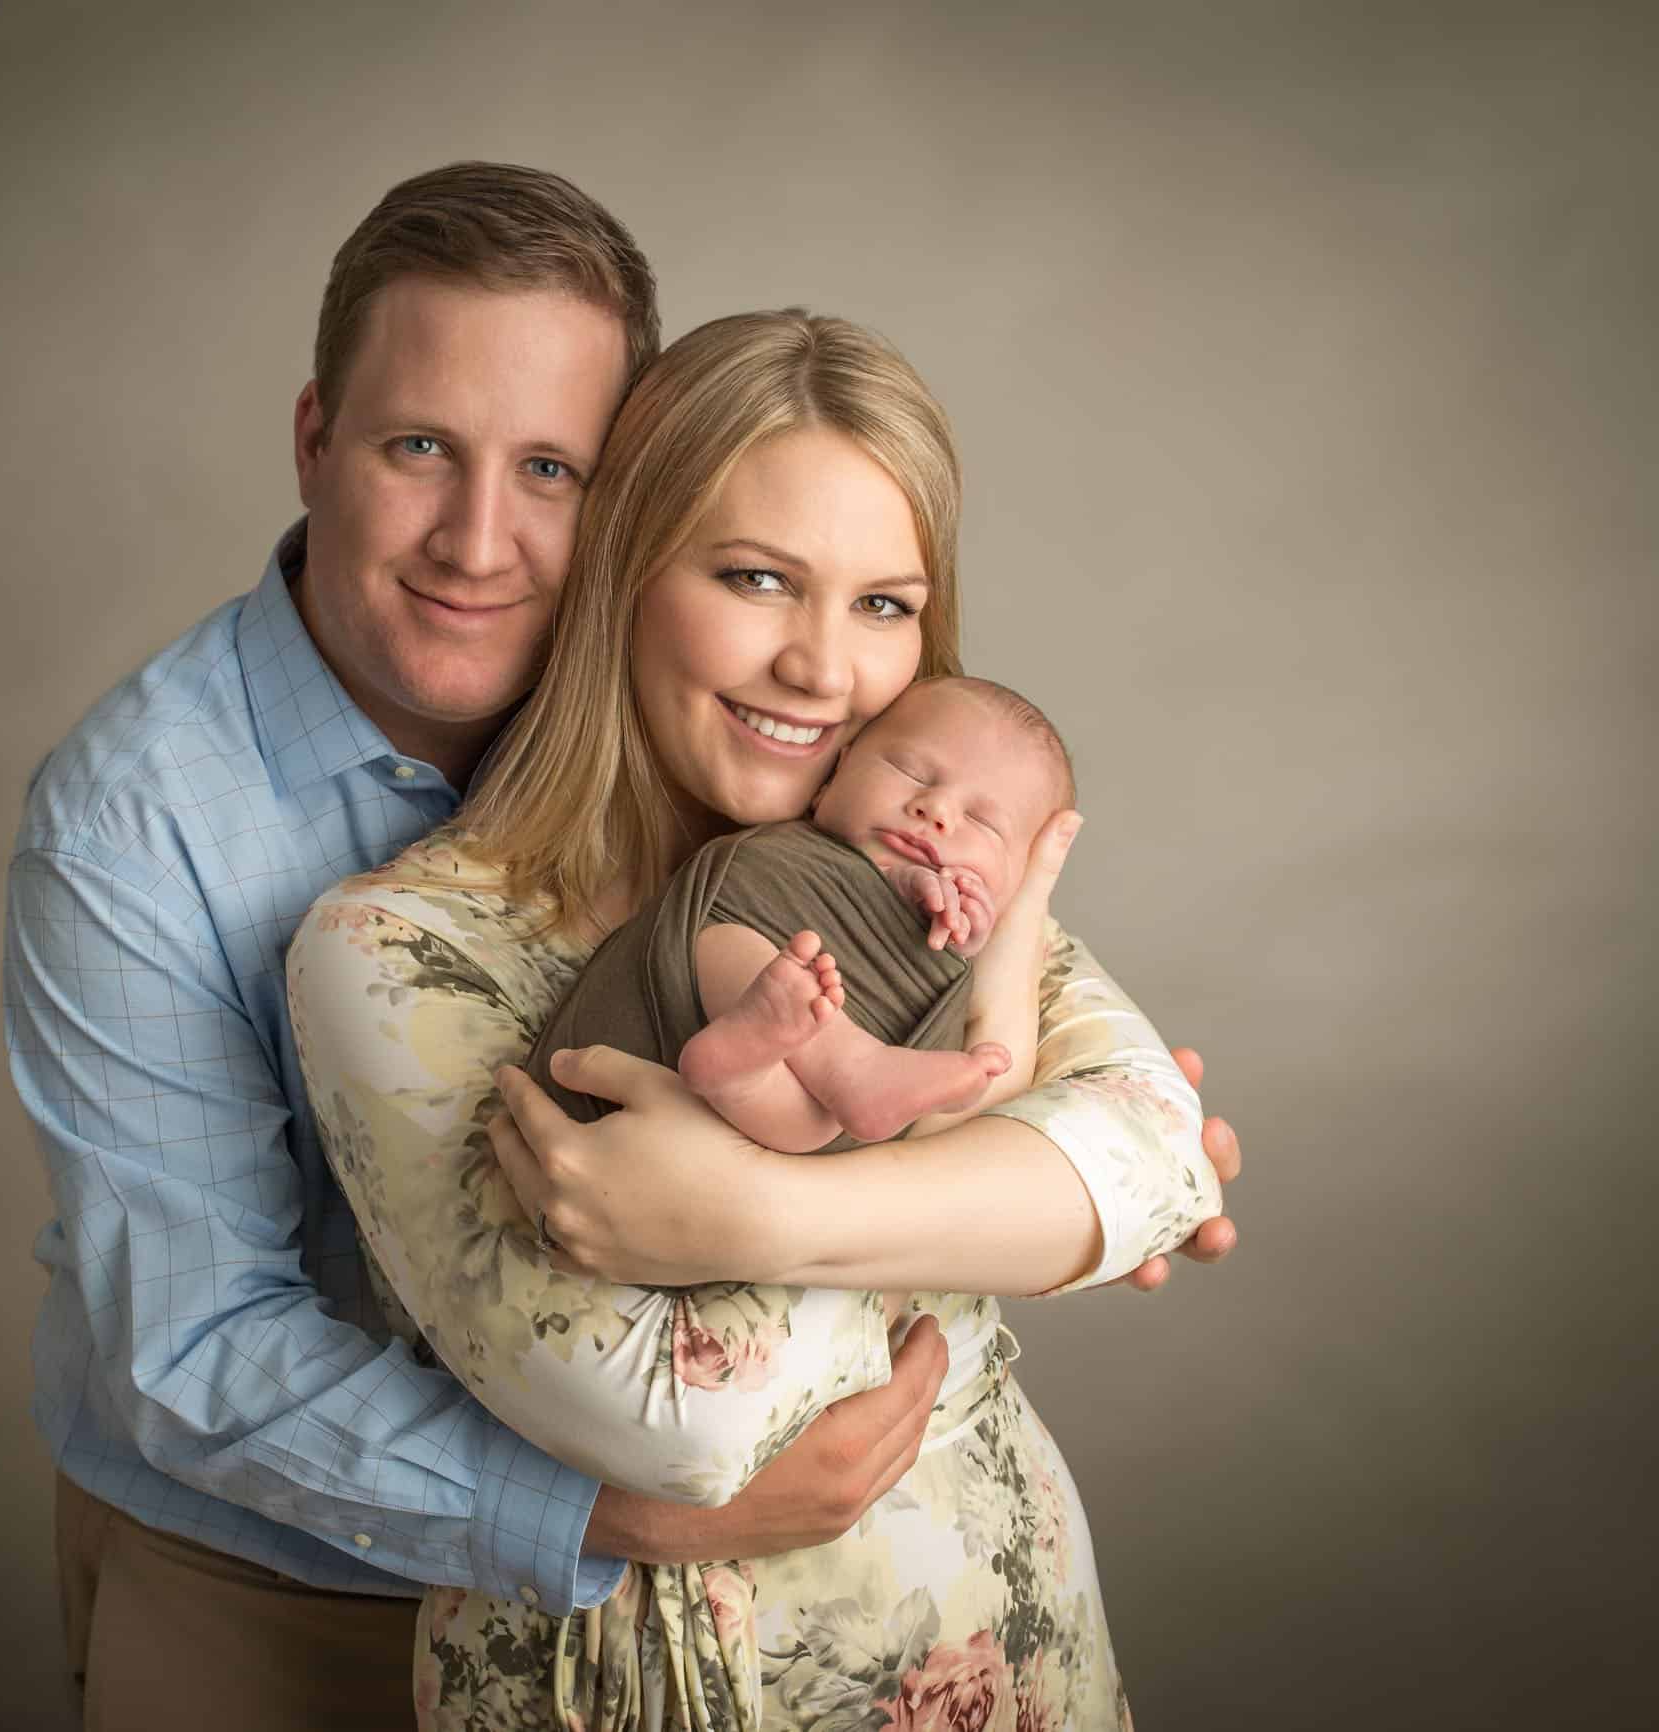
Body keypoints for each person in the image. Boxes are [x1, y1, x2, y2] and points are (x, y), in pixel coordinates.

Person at [5, 162, 1238, 1730]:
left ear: (618, 502)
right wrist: (990, 1212)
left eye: (553, 471)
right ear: (317, 435)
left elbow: (1146, 1155)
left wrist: (793, 1206)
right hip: (277, 1572)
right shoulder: (144, 823)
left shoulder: (789, 786)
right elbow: (198, 1346)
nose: (481, 541)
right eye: (419, 448)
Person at [286, 310, 1222, 1729]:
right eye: (756, 580)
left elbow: (1159, 1168)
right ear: (624, 568)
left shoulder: (922, 868)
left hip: (1012, 1638)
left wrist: (743, 1217)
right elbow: (682, 1424)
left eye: (884, 606)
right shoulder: (398, 947)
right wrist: (994, 1223)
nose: (823, 671)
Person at [529, 674, 1077, 1154]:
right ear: (834, 775)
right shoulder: (792, 862)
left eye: (982, 822)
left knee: (813, 1121)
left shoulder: (1015, 953)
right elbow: (755, 901)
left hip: (767, 1134)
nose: (936, 811)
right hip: (643, 1037)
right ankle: (845, 1064)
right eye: (910, 772)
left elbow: (937, 979)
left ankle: (738, 1072)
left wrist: (970, 938)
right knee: (733, 945)